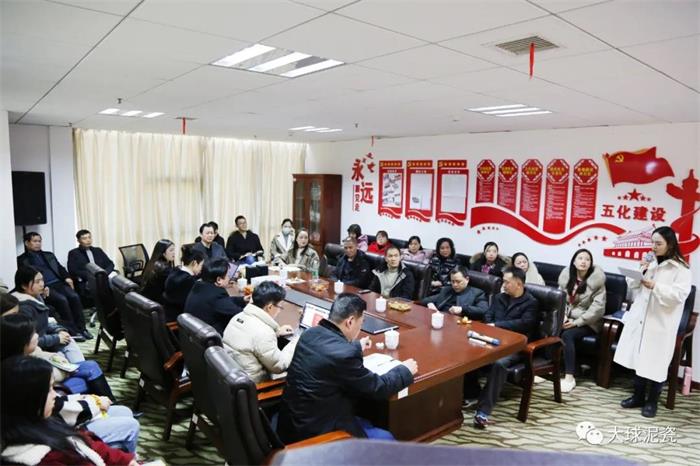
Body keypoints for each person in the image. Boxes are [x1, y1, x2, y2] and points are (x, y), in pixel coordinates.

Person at [277, 293, 417, 442]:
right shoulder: (345, 355)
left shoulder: (310, 333)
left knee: (366, 421)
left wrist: (355, 346)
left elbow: (330, 350)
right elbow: (378, 388)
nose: (360, 328)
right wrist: (404, 371)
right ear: (350, 322)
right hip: (317, 434)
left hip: (291, 424)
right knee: (387, 438)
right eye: (361, 323)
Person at [1, 314, 138, 453]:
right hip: (57, 429)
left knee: (124, 411)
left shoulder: (23, 361)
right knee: (130, 425)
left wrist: (86, 399)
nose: (38, 336)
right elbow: (57, 409)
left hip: (58, 421)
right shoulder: (22, 374)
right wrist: (95, 403)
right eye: (33, 334)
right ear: (21, 340)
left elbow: (57, 400)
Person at [1, 356, 137, 466]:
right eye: (49, 389)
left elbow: (87, 441)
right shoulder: (42, 459)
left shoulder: (42, 422)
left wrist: (126, 461)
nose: (54, 395)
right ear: (29, 400)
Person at [614, 226, 692, 418]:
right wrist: (640, 270)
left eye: (658, 243)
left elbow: (679, 295)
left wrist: (656, 286)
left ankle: (652, 402)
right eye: (652, 242)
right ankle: (638, 396)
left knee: (656, 364)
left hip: (661, 323)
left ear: (670, 244)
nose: (653, 247)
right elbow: (632, 285)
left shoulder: (681, 269)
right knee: (639, 359)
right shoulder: (651, 262)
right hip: (641, 318)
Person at [465, 267, 538, 429]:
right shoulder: (499, 298)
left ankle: (483, 412)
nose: (503, 285)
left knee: (499, 364)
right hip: (492, 340)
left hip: (516, 346)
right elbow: (488, 315)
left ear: (518, 283)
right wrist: (491, 326)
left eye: (506, 282)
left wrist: (497, 325)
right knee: (468, 350)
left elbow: (525, 324)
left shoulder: (531, 303)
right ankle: (472, 393)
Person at [17, 232, 90, 340]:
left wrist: (67, 277)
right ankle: (72, 331)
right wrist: (42, 287)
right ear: (27, 243)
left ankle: (82, 328)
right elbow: (27, 278)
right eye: (35, 241)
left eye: (39, 241)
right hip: (45, 287)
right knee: (62, 300)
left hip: (59, 282)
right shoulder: (22, 260)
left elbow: (60, 268)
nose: (38, 243)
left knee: (74, 296)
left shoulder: (49, 255)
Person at [223, 281, 297, 383]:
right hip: (255, 385)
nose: (280, 310)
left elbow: (252, 339)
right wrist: (295, 342)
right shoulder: (264, 333)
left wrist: (276, 333)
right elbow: (279, 366)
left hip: (233, 377)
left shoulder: (238, 317)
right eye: (280, 307)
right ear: (270, 307)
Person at [556, 249, 606, 393]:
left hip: (589, 322)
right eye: (580, 258)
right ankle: (547, 368)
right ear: (574, 261)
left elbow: (598, 309)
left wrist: (577, 322)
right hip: (568, 318)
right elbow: (559, 299)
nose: (583, 262)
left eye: (587, 259)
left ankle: (569, 377)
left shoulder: (597, 281)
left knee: (567, 335)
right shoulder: (566, 277)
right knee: (552, 328)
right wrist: (563, 316)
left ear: (591, 263)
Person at [12, 266, 85, 364]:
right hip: (35, 349)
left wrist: (59, 330)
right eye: (37, 282)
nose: (42, 284)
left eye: (42, 280)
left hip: (45, 340)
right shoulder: (24, 307)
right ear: (24, 286)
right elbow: (29, 341)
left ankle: (82, 367)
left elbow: (45, 323)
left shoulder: (36, 297)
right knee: (63, 357)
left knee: (69, 342)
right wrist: (56, 338)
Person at [183, 258, 246, 334]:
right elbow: (239, 314)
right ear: (219, 280)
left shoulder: (199, 285)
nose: (230, 278)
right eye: (227, 275)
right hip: (214, 336)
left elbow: (226, 301)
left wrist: (243, 299)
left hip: (196, 335)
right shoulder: (216, 296)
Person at [421, 266, 489, 320]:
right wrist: (430, 304)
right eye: (452, 281)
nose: (455, 285)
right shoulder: (447, 290)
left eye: (458, 281)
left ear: (467, 279)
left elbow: (483, 310)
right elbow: (425, 300)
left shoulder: (477, 293)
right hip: (440, 320)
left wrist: (462, 309)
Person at [67, 229, 117, 302]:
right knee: (104, 287)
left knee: (115, 281)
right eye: (84, 238)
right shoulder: (74, 253)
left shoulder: (98, 250)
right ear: (78, 241)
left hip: (103, 277)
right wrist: (92, 276)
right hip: (87, 280)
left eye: (89, 237)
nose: (88, 240)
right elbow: (73, 270)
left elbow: (110, 263)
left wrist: (105, 273)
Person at [163, 244, 206, 322]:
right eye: (201, 265)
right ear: (195, 263)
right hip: (178, 318)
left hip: (168, 312)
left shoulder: (176, 270)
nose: (202, 268)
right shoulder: (188, 281)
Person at [140, 239, 175, 304]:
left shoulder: (152, 262)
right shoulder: (164, 269)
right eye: (171, 250)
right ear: (163, 253)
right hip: (154, 302)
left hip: (145, 298)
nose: (174, 253)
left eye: (174, 250)